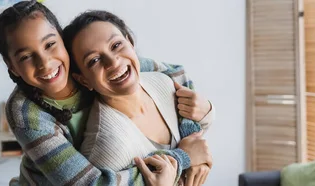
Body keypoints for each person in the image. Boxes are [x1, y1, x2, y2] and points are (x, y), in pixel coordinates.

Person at [0, 1, 212, 185]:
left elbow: (173, 72)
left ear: (62, 41)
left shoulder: (86, 67)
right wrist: (183, 158)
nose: (45, 63)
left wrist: (194, 128)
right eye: (25, 57)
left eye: (50, 44)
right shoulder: (26, 113)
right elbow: (90, 184)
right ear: (12, 67)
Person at [63, 10, 214, 186]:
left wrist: (208, 115)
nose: (113, 62)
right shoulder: (108, 147)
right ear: (83, 79)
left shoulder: (165, 83)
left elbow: (195, 134)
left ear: (131, 42)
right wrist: (186, 158)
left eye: (116, 45)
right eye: (94, 60)